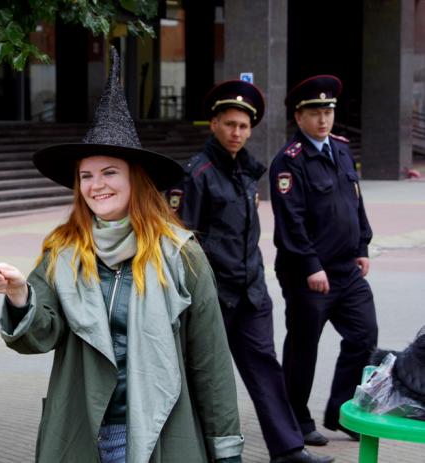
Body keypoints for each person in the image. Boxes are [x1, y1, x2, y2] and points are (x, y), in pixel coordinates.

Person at [0, 48, 244, 463]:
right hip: (81, 432)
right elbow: (40, 336)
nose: (96, 186)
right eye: (86, 176)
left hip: (160, 432)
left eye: (110, 172)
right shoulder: (63, 252)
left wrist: (225, 447)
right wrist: (20, 296)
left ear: (135, 179)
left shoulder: (181, 255)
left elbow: (210, 362)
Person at [169, 80, 333, 463]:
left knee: (265, 369)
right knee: (202, 377)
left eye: (243, 126)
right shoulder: (196, 174)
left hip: (252, 293)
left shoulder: (248, 171)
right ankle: (191, 450)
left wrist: (257, 280)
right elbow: (180, 243)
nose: (237, 133)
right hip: (212, 298)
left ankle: (289, 449)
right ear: (213, 125)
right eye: (229, 124)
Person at [269, 75, 378, 446]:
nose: (323, 120)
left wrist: (363, 245)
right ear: (299, 118)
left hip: (347, 271)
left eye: (328, 112)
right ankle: (296, 420)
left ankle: (341, 410)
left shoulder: (343, 150)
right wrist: (311, 265)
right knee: (303, 348)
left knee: (364, 336)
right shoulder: (289, 161)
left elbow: (356, 202)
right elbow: (290, 222)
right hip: (308, 275)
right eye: (315, 113)